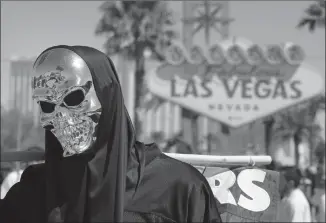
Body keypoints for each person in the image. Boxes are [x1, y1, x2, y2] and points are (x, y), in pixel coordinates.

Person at [0, 46, 222, 223]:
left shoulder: (177, 189)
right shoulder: (31, 194)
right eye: (48, 106)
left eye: (74, 98)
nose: (63, 117)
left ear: (108, 99)